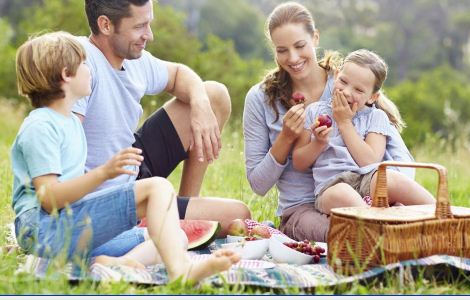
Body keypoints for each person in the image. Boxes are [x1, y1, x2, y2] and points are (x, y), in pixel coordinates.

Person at [11, 31, 240, 283]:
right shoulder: (41, 127)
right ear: (66, 75)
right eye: (84, 65)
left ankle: (113, 262)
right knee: (158, 188)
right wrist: (105, 173)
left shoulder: (70, 124)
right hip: (44, 229)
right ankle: (181, 272)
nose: (90, 70)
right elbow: (49, 199)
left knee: (175, 236)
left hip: (70, 228)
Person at [75, 0, 250, 240]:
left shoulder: (134, 59)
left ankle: (185, 213)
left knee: (214, 95)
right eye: (140, 26)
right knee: (237, 214)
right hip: (108, 197)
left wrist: (199, 103)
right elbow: (59, 147)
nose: (150, 35)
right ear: (105, 24)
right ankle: (158, 222)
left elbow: (179, 74)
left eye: (149, 24)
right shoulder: (78, 64)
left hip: (132, 163)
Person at [243, 2, 415, 242]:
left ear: (315, 38)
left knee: (379, 227)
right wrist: (286, 138)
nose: (292, 58)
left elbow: (400, 159)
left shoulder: (348, 85)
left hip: (361, 195)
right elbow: (258, 185)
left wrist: (384, 197)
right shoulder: (260, 99)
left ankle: (426, 230)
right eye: (282, 50)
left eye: (300, 45)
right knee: (353, 235)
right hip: (301, 209)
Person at [292, 49, 435, 214]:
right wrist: (318, 143)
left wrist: (344, 122)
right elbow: (299, 162)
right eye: (343, 81)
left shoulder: (376, 117)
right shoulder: (314, 111)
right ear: (336, 75)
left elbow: (369, 161)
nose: (346, 92)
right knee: (342, 194)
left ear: (372, 97)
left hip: (368, 178)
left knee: (391, 179)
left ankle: (444, 215)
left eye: (358, 90)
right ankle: (377, 224)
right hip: (331, 185)